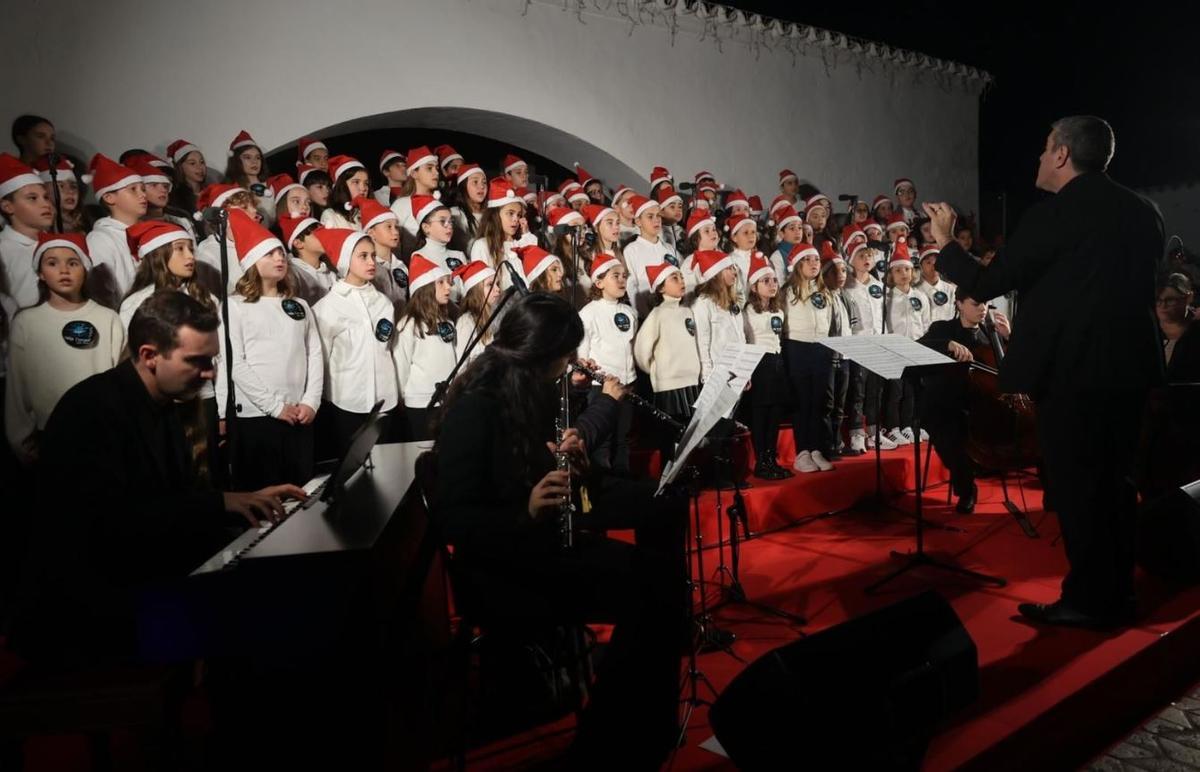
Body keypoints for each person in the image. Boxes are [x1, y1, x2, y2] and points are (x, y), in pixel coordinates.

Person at [924, 115, 1164, 630]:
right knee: (1117, 483)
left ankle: (1088, 600)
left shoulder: (1055, 215)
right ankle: (1117, 592)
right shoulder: (1145, 211)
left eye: (1042, 149)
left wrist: (946, 243)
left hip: (1073, 374)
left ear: (1061, 154)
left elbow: (988, 282)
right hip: (1131, 369)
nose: (1036, 159)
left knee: (1077, 487)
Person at [431, 292, 685, 770]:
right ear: (541, 354)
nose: (570, 365)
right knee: (649, 590)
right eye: (565, 356)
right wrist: (526, 509)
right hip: (502, 572)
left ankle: (636, 727)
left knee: (654, 578)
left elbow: (532, 468)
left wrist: (573, 462)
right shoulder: (476, 407)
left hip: (537, 547)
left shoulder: (530, 389)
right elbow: (454, 519)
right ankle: (611, 743)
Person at [7, 290, 306, 668]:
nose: (210, 373)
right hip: (88, 612)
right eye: (196, 361)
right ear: (149, 356)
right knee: (271, 625)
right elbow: (114, 529)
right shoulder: (91, 410)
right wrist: (219, 505)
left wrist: (236, 502)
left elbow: (167, 504)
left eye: (212, 360)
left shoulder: (162, 402)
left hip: (137, 581)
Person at [218, 210, 323, 491]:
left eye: (281, 252)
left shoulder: (299, 305)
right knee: (264, 496)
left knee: (301, 492)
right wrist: (275, 407)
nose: (280, 258)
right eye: (270, 254)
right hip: (257, 418)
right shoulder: (235, 307)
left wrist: (311, 401)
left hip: (300, 414)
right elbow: (235, 363)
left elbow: (314, 354)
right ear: (251, 261)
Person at [5, 232, 125, 466]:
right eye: (52, 263)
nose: (63, 270)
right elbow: (17, 387)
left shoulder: (107, 318)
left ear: (85, 268)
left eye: (72, 263)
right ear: (40, 273)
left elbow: (118, 379)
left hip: (102, 434)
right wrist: (20, 439)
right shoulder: (26, 322)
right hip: (49, 435)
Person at [917, 292, 1011, 513]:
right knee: (946, 427)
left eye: (986, 303)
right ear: (959, 304)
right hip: (948, 403)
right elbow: (919, 347)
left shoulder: (992, 334)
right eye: (977, 303)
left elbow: (1010, 369)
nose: (983, 308)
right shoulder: (942, 329)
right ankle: (966, 488)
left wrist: (1009, 337)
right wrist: (946, 344)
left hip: (985, 402)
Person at [312, 229, 400, 456]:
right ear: (345, 260)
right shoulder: (327, 307)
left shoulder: (383, 303)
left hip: (384, 400)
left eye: (372, 255)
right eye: (363, 256)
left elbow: (387, 349)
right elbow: (319, 358)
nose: (371, 262)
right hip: (347, 402)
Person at [633, 262, 700, 465]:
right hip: (669, 387)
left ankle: (688, 477)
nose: (681, 281)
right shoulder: (658, 314)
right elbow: (641, 350)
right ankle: (669, 482)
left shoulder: (688, 312)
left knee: (690, 435)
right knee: (671, 437)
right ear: (661, 287)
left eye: (681, 277)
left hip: (692, 382)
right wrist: (658, 371)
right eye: (674, 278)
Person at [577, 253, 636, 474]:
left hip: (626, 385)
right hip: (600, 388)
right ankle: (604, 485)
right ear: (599, 282)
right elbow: (582, 354)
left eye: (624, 276)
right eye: (615, 276)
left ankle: (623, 482)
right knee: (603, 441)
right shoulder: (589, 313)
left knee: (623, 438)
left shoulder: (630, 312)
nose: (622, 280)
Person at [782, 242, 834, 473]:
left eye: (816, 260)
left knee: (818, 401)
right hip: (797, 347)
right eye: (808, 260)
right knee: (802, 401)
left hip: (821, 348)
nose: (814, 264)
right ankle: (802, 452)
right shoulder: (787, 292)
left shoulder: (824, 291)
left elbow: (829, 321)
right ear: (797, 265)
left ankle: (815, 449)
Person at [393, 255, 457, 441]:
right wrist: (402, 397)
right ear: (426, 289)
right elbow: (401, 364)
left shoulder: (448, 321)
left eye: (448, 282)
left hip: (447, 400)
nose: (448, 287)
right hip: (421, 402)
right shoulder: (408, 325)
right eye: (441, 282)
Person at [741, 254, 791, 479]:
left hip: (776, 362)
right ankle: (762, 460)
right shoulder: (748, 312)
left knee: (775, 414)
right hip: (758, 363)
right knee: (760, 415)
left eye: (774, 281)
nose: (772, 285)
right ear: (753, 286)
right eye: (766, 281)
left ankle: (772, 458)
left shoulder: (778, 311)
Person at [0, 153, 54, 308]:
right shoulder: (4, 249)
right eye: (32, 198)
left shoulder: (55, 244)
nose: (45, 204)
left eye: (46, 197)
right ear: (7, 206)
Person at [1157, 273, 1200, 382]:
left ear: (1188, 298)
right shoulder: (1148, 332)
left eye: (1170, 300)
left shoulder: (1195, 332)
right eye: (1158, 300)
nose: (1163, 305)